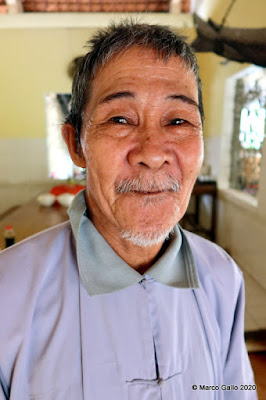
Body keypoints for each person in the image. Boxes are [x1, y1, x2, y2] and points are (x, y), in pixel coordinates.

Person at [0, 21, 257, 400]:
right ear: (77, 145)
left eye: (178, 120)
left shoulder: (221, 279)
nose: (152, 154)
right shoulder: (9, 294)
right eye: (120, 119)